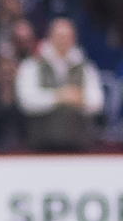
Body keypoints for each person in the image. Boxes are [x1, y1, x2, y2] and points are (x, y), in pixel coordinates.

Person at [15, 16, 105, 151]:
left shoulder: (85, 67)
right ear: (50, 37)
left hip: (79, 147)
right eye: (60, 36)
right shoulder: (32, 64)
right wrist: (59, 96)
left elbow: (97, 102)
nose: (63, 40)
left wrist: (79, 99)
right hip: (40, 147)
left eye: (67, 36)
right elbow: (27, 101)